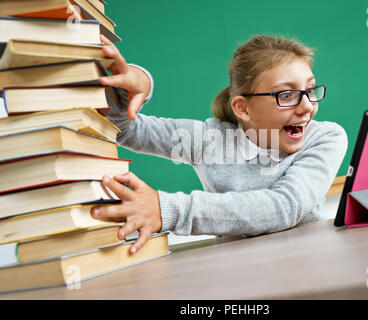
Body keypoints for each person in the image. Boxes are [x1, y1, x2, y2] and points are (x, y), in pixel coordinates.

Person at [91, 34, 348, 254]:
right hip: (235, 278)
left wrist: (168, 209)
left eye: (310, 90)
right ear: (243, 108)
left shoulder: (325, 138)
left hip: (309, 269)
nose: (307, 106)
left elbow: (283, 207)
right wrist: (139, 83)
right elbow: (124, 129)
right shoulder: (207, 140)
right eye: (287, 95)